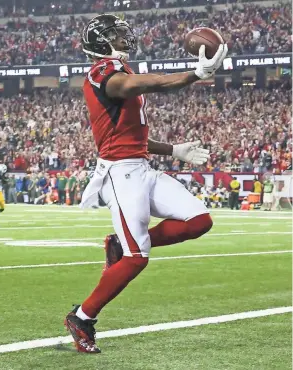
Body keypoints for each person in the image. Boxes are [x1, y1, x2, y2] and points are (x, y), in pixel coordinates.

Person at [64, 14, 226, 353]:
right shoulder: (102, 73)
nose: (125, 37)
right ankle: (82, 317)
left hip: (141, 167)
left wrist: (174, 150)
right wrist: (194, 75)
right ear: (100, 43)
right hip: (120, 174)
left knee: (199, 221)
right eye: (116, 34)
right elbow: (139, 86)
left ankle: (118, 246)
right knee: (137, 259)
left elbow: (133, 133)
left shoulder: (122, 71)